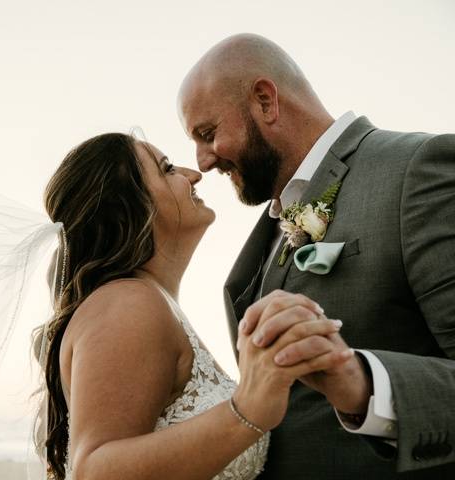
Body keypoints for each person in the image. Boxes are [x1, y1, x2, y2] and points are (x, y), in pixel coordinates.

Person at [177, 33, 455, 478]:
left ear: (265, 101)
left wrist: (363, 384)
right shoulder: (269, 229)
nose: (203, 162)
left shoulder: (416, 170)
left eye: (208, 134)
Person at [36, 132, 352, 479]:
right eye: (167, 168)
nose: (193, 174)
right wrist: (245, 410)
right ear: (128, 206)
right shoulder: (129, 304)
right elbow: (94, 471)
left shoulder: (149, 302)